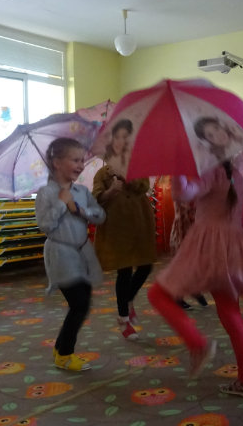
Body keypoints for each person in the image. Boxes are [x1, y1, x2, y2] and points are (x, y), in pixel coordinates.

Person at [147, 159, 243, 399]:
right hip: (231, 245)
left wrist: (177, 167)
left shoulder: (213, 171)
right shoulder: (237, 172)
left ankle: (197, 344)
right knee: (230, 313)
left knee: (157, 294)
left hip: (207, 243)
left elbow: (182, 194)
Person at [35, 137, 106, 372]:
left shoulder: (82, 191)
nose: (80, 165)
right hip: (60, 254)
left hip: (82, 254)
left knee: (82, 303)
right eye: (75, 160)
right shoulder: (46, 193)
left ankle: (60, 348)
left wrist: (80, 210)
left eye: (82, 160)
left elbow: (100, 215)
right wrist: (60, 203)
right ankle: (65, 355)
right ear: (57, 163)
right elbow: (44, 224)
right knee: (79, 303)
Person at [92, 118, 157, 341]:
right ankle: (123, 319)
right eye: (117, 137)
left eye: (126, 137)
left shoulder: (137, 166)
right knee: (124, 271)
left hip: (140, 224)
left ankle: (129, 299)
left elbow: (144, 186)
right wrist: (111, 190)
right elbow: (96, 198)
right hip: (117, 228)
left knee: (146, 265)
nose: (121, 141)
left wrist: (126, 177)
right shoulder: (103, 174)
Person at [168, 192, 208, 309]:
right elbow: (183, 212)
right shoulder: (180, 189)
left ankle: (194, 290)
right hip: (182, 231)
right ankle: (178, 296)